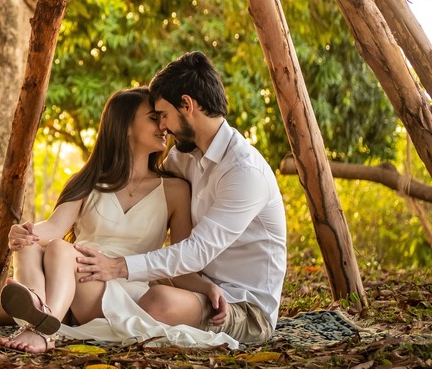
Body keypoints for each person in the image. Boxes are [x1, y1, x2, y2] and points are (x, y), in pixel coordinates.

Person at [0, 87, 237, 354]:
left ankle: (39, 323)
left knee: (58, 252)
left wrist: (207, 288)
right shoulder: (89, 181)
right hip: (71, 281)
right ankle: (27, 317)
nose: (165, 125)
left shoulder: (175, 189)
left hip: (119, 287)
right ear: (125, 125)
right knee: (38, 245)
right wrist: (23, 232)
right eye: (154, 117)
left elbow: (180, 260)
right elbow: (52, 228)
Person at [76, 51, 287, 346]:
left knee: (158, 300)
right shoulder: (183, 157)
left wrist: (119, 266)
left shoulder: (244, 172)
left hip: (243, 306)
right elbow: (145, 190)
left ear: (187, 105)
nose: (162, 126)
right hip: (195, 287)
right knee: (116, 291)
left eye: (163, 115)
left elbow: (197, 250)